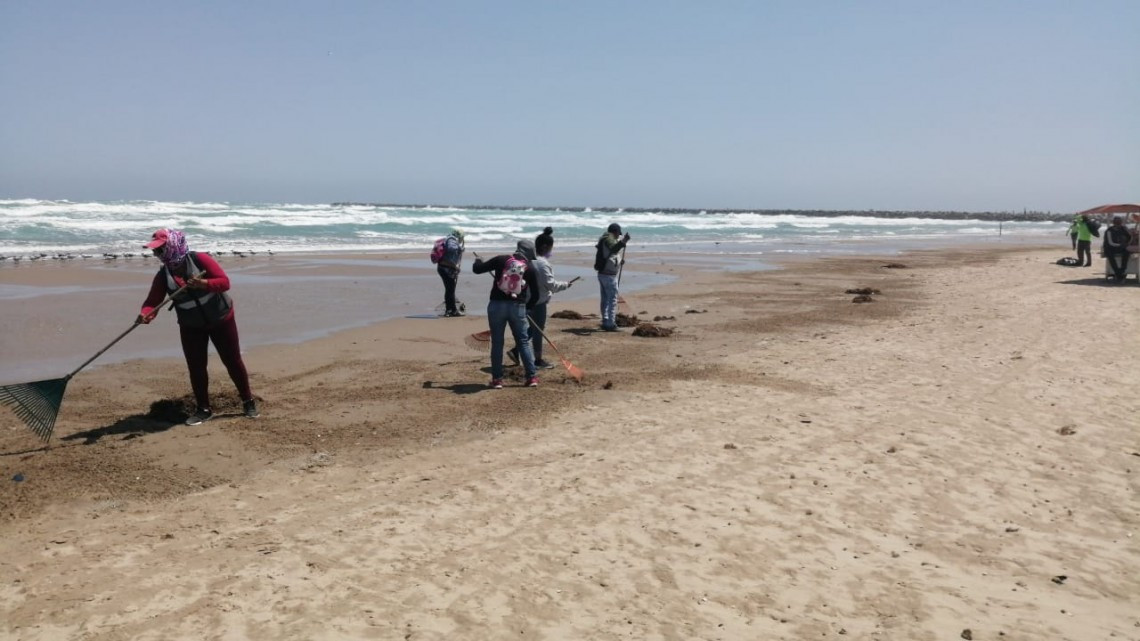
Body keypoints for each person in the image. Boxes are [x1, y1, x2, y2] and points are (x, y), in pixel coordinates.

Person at [137, 229, 258, 425]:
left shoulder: (199, 259)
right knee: (196, 366)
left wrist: (203, 284)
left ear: (173, 246)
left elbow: (224, 283)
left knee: (232, 360)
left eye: (160, 250)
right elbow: (152, 301)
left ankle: (248, 401)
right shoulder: (163, 275)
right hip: (191, 325)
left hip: (221, 319)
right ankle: (203, 409)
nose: (157, 254)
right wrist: (146, 314)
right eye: (155, 251)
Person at [472, 243, 539, 388]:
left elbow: (477, 270)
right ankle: (532, 377)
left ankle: (497, 380)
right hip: (518, 308)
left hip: (496, 306)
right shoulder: (530, 268)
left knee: (497, 343)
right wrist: (527, 308)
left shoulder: (501, 260)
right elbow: (536, 295)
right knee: (523, 342)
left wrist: (478, 261)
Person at [509, 227, 572, 369]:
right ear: (545, 247)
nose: (551, 251)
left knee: (532, 329)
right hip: (538, 302)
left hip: (525, 299)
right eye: (551, 248)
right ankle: (537, 360)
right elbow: (551, 285)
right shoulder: (542, 263)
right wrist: (566, 285)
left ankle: (516, 351)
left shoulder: (527, 260)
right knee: (537, 331)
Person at [594, 223, 630, 331]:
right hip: (609, 276)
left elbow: (611, 254)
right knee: (612, 299)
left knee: (605, 299)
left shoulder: (604, 238)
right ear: (615, 232)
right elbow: (614, 249)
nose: (619, 236)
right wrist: (624, 241)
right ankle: (610, 324)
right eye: (619, 234)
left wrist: (619, 261)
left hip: (602, 273)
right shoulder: (609, 238)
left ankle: (605, 321)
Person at [436, 228, 466, 317]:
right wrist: (460, 248)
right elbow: (451, 248)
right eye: (462, 237)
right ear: (459, 236)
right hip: (446, 269)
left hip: (445, 268)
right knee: (450, 290)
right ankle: (451, 310)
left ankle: (450, 310)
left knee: (450, 290)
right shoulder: (452, 240)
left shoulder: (449, 239)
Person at [1103, 215, 1133, 283]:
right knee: (1110, 255)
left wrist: (1128, 242)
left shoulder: (1124, 229)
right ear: (1114, 223)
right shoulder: (1109, 230)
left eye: (1119, 222)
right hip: (1110, 248)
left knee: (1126, 252)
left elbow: (1130, 237)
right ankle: (1118, 273)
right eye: (1117, 222)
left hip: (1121, 247)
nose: (1118, 224)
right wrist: (1121, 245)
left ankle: (1122, 270)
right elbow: (1110, 243)